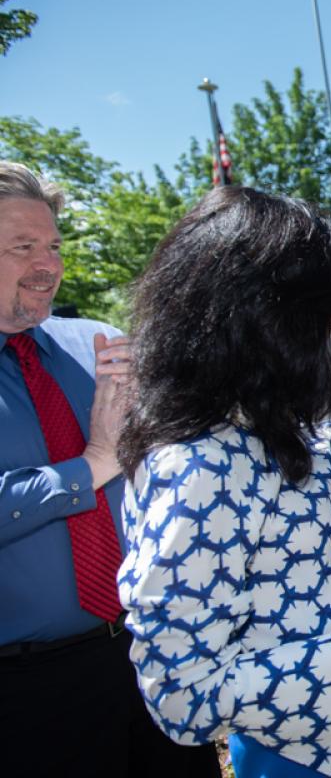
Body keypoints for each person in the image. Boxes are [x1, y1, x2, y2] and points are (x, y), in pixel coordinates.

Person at [117, 186, 331, 777]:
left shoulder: (248, 420)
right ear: (262, 323)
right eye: (322, 319)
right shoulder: (195, 472)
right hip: (324, 755)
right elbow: (181, 696)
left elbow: (315, 458)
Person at [0, 161, 220, 777]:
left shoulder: (91, 349)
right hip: (29, 689)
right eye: (24, 248)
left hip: (152, 648)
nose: (49, 265)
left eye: (54, 246)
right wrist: (93, 462)